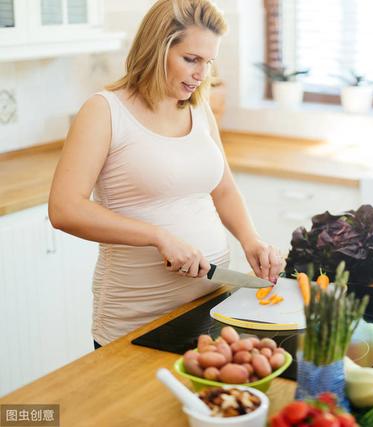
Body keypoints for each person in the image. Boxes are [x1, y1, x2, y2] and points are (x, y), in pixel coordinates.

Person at [48, 0, 283, 349]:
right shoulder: (104, 111)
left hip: (210, 308)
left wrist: (251, 239)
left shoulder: (199, 108)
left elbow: (223, 188)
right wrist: (158, 236)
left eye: (208, 62)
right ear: (158, 48)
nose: (201, 75)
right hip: (137, 321)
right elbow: (65, 209)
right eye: (191, 59)